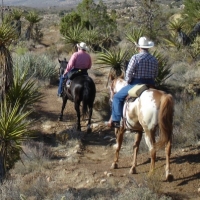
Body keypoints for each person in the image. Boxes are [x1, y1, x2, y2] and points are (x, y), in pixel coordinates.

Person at [108, 36, 158, 128]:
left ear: (139, 47)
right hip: (150, 84)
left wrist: (128, 82)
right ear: (148, 48)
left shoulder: (135, 57)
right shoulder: (154, 59)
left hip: (136, 83)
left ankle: (116, 120)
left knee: (117, 97)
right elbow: (155, 74)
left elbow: (129, 72)